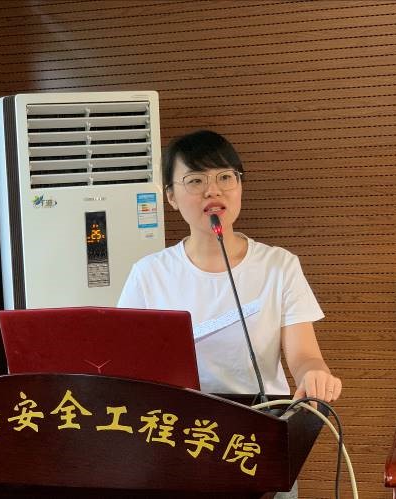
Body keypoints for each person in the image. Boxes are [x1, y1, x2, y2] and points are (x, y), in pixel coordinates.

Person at [117, 130, 341, 498]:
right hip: (176, 437)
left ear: (240, 186)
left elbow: (304, 355)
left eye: (225, 177)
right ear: (171, 196)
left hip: (261, 432)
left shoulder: (279, 266)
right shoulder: (149, 274)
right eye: (195, 180)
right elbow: (125, 366)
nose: (213, 191)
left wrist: (315, 374)